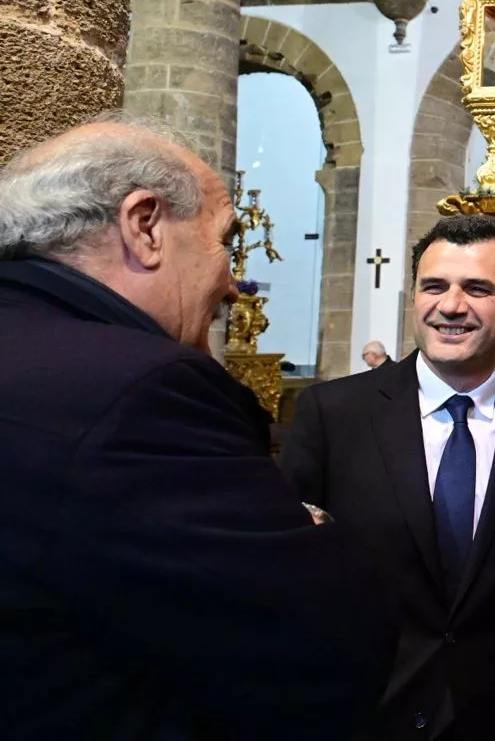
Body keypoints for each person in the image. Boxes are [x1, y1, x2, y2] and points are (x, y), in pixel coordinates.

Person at [0, 117, 394, 740]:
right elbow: (317, 647)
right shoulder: (144, 390)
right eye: (224, 241)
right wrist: (310, 527)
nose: (232, 283)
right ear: (145, 226)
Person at [281, 215, 495, 740]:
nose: (451, 306)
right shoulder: (334, 414)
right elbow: (286, 581)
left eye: (477, 288)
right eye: (434, 286)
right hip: (360, 713)